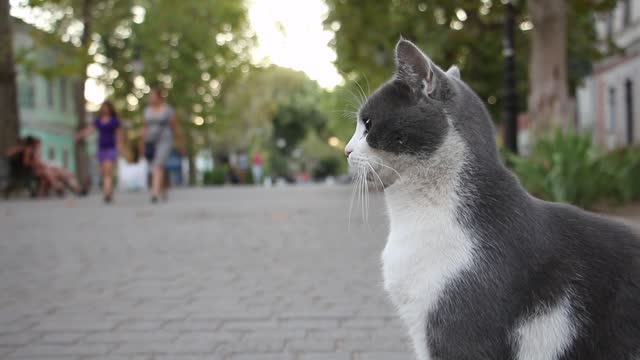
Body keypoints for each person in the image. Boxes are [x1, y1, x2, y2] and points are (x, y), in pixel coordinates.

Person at [140, 88, 185, 203]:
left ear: (159, 97)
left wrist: (180, 144)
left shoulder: (168, 110)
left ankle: (154, 193)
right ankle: (164, 188)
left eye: (153, 96)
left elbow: (175, 127)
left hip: (165, 140)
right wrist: (142, 144)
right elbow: (144, 128)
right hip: (151, 141)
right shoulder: (147, 111)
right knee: (159, 166)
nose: (150, 98)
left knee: (157, 164)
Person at [77, 101, 122, 203]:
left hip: (111, 148)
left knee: (108, 171)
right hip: (101, 148)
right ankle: (108, 192)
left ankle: (107, 193)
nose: (105, 110)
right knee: (104, 172)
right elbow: (90, 129)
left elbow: (118, 134)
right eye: (104, 108)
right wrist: (81, 135)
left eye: (107, 108)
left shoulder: (114, 121)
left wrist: (119, 147)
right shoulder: (99, 121)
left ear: (110, 109)